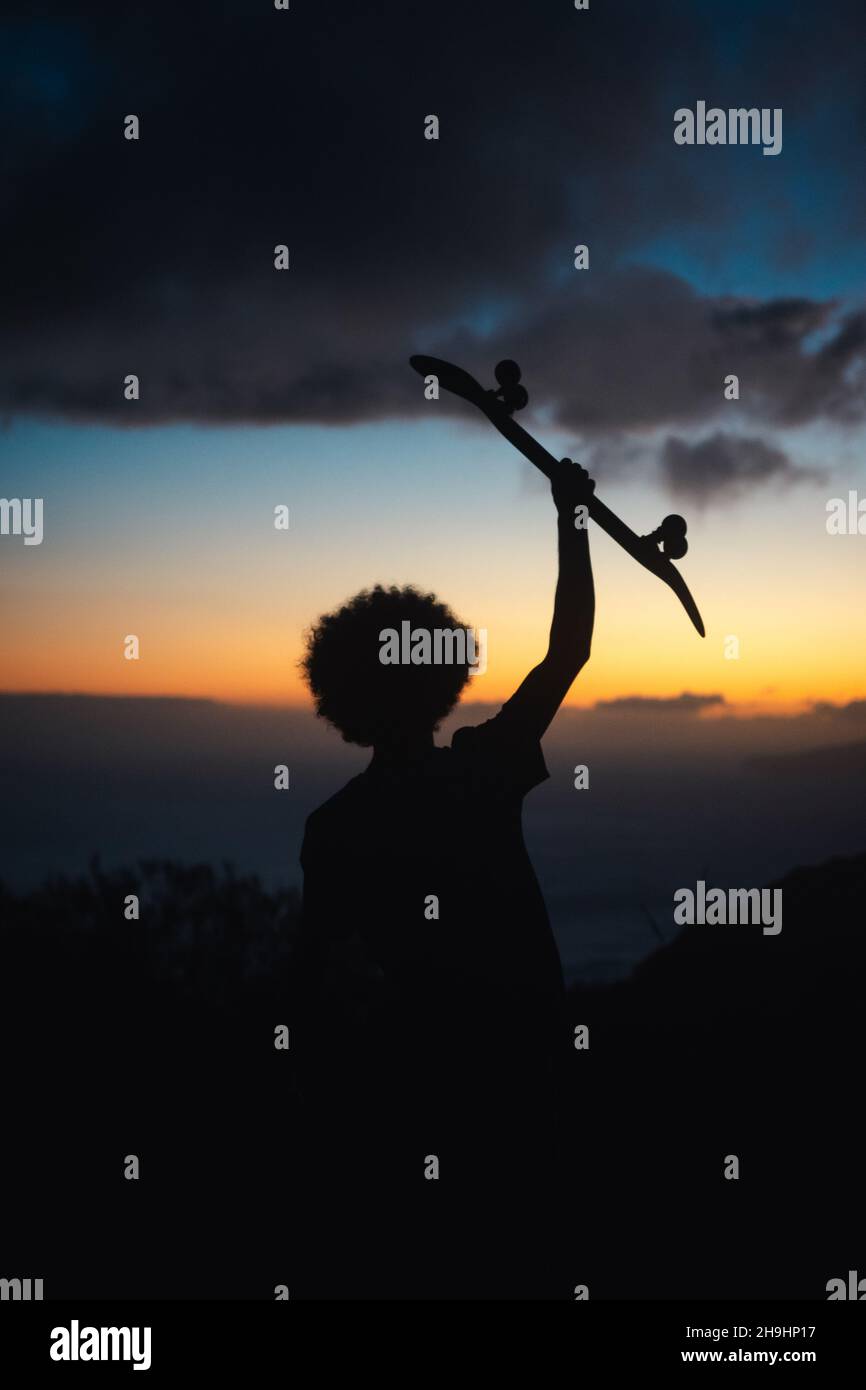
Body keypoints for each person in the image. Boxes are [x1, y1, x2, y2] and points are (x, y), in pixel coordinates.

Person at [293, 458, 595, 1295]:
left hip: (415, 1086)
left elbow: (309, 988)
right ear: (441, 679)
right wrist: (571, 518)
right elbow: (567, 651)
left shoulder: (334, 826)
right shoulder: (483, 768)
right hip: (521, 1071)